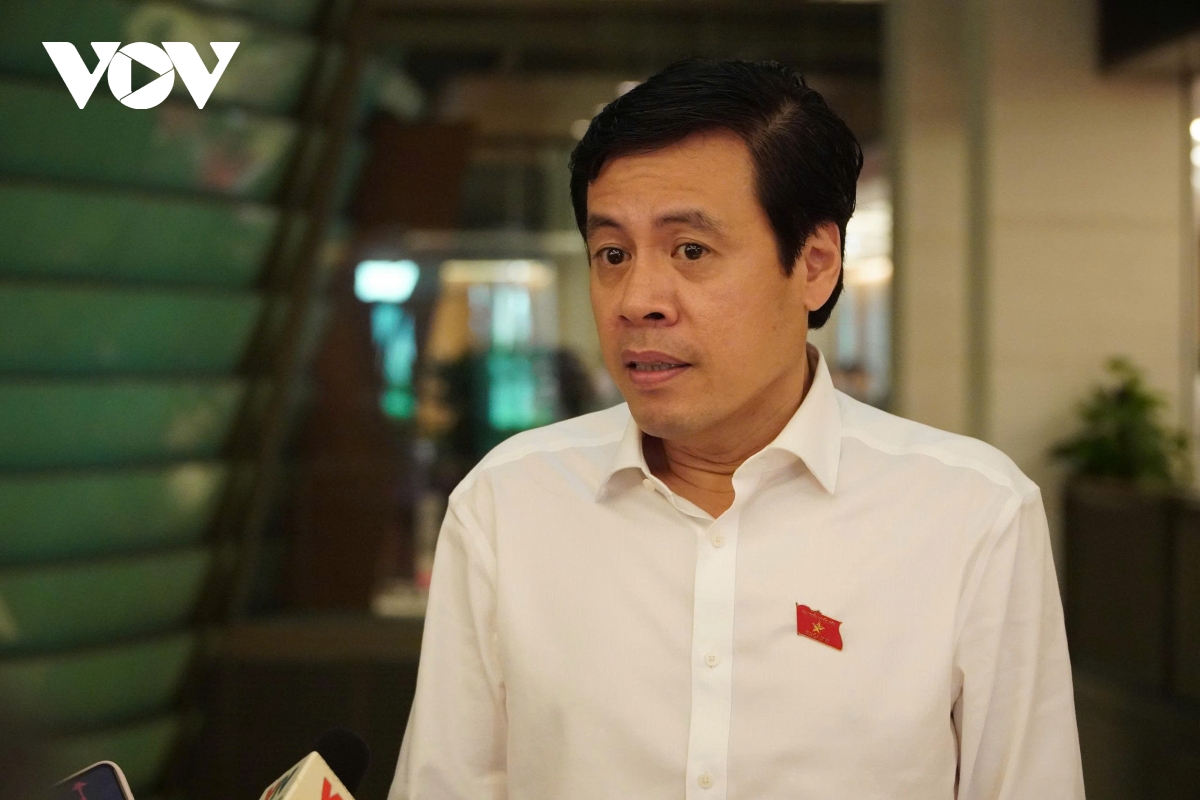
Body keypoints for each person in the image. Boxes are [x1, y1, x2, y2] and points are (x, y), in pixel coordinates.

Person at [389, 58, 1084, 799]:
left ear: (814, 265)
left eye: (691, 250)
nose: (637, 300)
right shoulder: (509, 503)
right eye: (612, 254)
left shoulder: (971, 514)